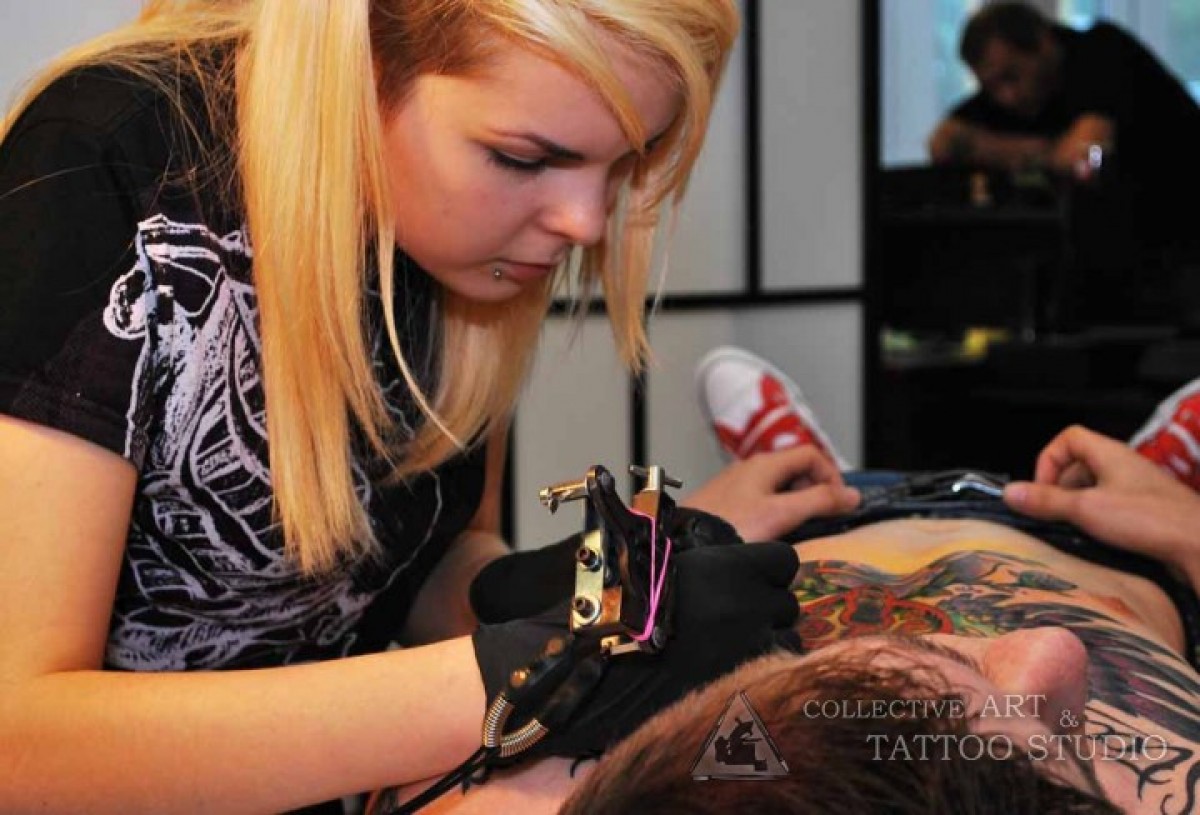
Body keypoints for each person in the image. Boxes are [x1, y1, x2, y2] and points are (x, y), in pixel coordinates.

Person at [0, 4, 847, 813]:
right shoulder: (103, 160)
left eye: (626, 161)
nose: (586, 223)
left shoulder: (455, 250)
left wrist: (585, 588)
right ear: (362, 66)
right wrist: (543, 675)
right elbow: (18, 740)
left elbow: (399, 572)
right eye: (523, 159)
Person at [378, 349, 1200, 812]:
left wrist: (648, 558)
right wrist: (1185, 535)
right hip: (1098, 551)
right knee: (1131, 502)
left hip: (795, 543)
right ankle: (1159, 479)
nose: (1051, 654)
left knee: (802, 492)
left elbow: (451, 617)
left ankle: (815, 475)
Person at [925, 1, 1200, 325]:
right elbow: (944, 143)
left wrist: (1007, 151)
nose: (1006, 98)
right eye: (991, 87)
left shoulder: (1103, 54)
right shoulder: (1016, 96)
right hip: (1112, 270)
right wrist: (1048, 153)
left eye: (1011, 77)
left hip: (1182, 248)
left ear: (1043, 43)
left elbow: (1089, 160)